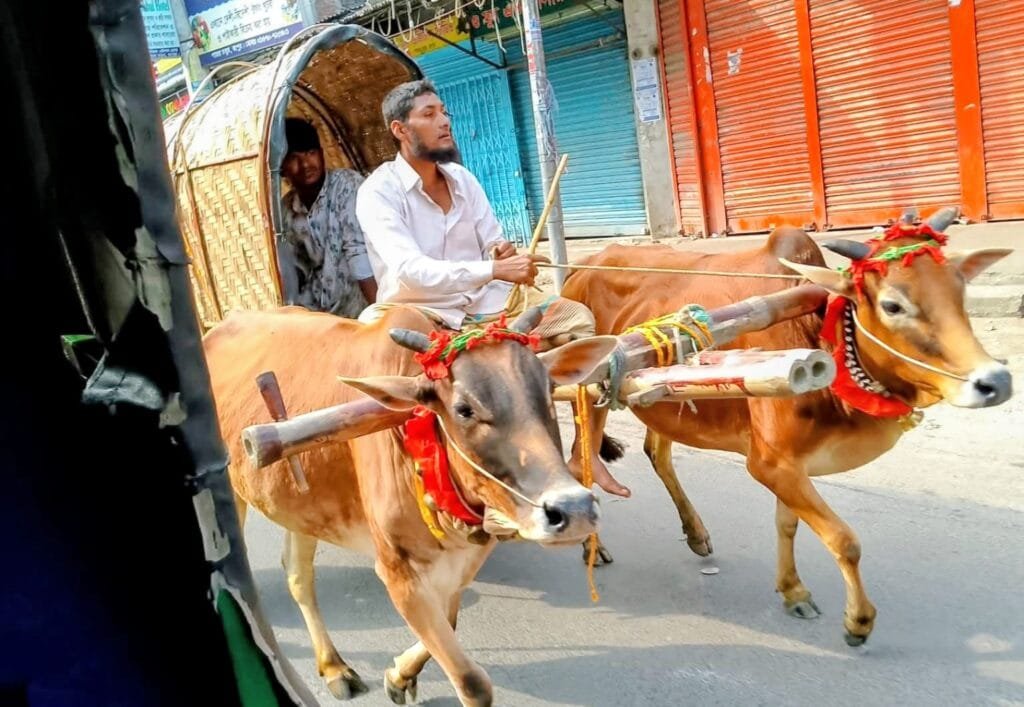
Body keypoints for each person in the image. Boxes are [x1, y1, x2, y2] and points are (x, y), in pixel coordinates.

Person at [355, 79, 630, 497]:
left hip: (484, 304)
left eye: (444, 112)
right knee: (394, 357)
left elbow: (491, 239)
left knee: (578, 319)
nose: (444, 121)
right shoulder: (378, 192)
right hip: (420, 311)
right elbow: (411, 272)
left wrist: (500, 251)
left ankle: (585, 450)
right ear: (400, 130)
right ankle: (438, 481)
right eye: (429, 115)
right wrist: (495, 267)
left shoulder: (463, 179)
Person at [278, 117, 377, 318]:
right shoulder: (287, 210)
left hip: (360, 307)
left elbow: (358, 252)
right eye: (294, 158)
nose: (305, 164)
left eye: (311, 153)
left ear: (321, 155)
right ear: (282, 168)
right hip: (319, 314)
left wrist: (380, 314)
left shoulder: (347, 185)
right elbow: (294, 272)